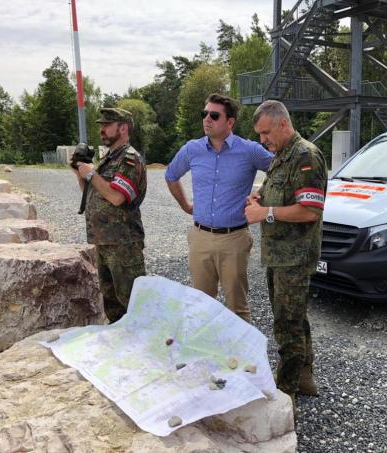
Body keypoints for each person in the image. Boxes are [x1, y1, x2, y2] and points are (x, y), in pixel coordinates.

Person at [244, 100, 327, 404]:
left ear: (282, 124)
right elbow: (282, 195)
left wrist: (265, 212)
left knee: (286, 324)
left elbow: (309, 210)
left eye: (265, 132)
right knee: (294, 317)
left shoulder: (305, 156)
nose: (261, 140)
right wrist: (260, 196)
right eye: (259, 135)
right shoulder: (281, 155)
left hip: (295, 256)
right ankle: (305, 378)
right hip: (278, 254)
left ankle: (286, 394)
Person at [165, 94, 273, 324]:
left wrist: (260, 195)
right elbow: (171, 175)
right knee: (202, 306)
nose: (207, 119)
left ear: (230, 122)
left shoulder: (249, 151)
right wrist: (186, 206)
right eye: (204, 114)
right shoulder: (192, 149)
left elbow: (279, 169)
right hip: (200, 238)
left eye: (214, 115)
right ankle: (205, 357)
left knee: (237, 308)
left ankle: (241, 358)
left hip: (234, 239)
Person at [72, 107, 147, 324]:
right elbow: (93, 194)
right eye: (101, 126)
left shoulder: (130, 159)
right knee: (112, 304)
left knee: (133, 304)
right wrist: (79, 172)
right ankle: (120, 347)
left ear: (123, 128)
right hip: (104, 241)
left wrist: (92, 174)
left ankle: (142, 349)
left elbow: (116, 197)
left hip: (124, 243)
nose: (102, 130)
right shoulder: (109, 159)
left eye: (107, 125)